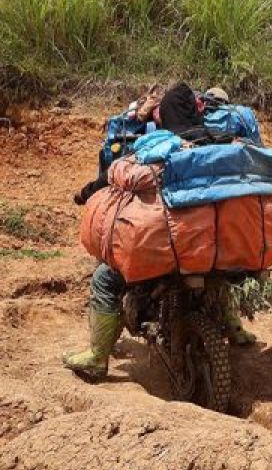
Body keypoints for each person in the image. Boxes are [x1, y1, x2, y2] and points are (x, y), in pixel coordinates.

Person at [64, 83, 256, 379]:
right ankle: (234, 327)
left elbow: (115, 174)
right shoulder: (224, 144)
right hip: (214, 244)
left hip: (167, 247)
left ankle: (97, 357)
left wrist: (85, 192)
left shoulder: (161, 146)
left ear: (165, 114)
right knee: (222, 266)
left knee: (104, 280)